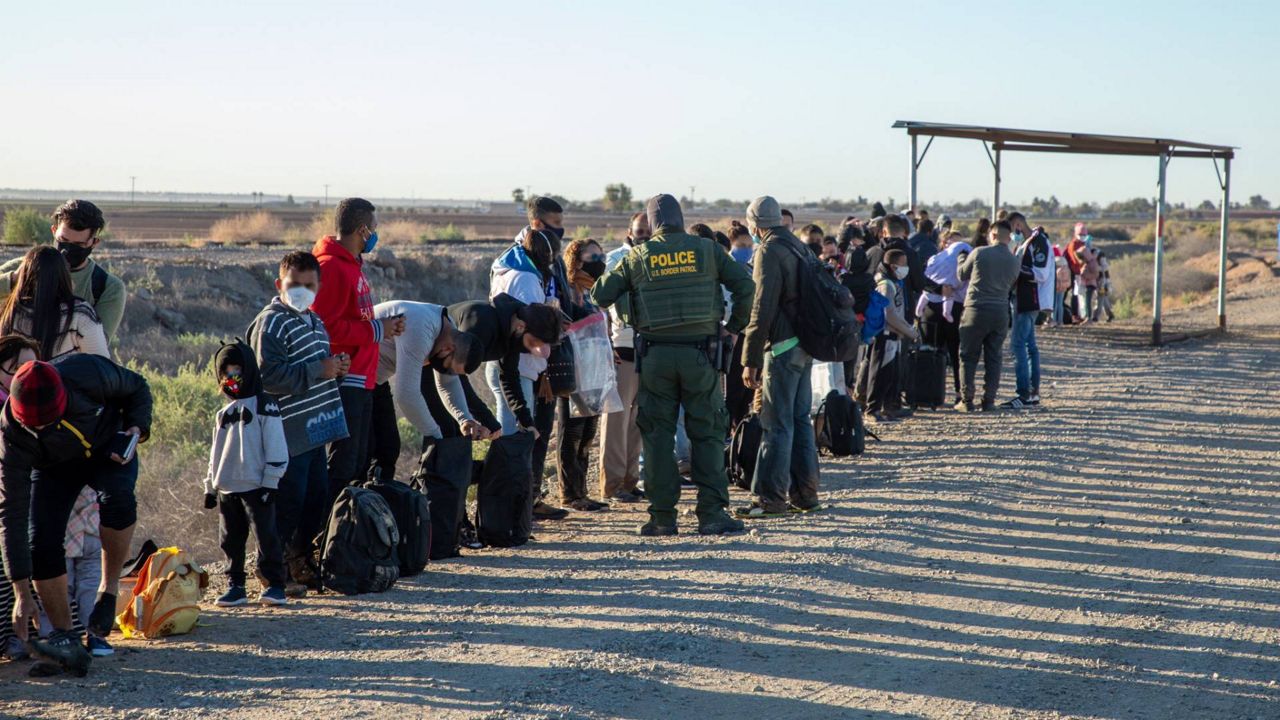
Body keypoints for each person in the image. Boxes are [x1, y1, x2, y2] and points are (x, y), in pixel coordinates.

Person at [592, 194, 754, 536]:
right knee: (707, 434)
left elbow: (600, 295)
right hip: (702, 355)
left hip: (655, 357)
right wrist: (733, 328)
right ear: (682, 218)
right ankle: (712, 514)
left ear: (651, 224)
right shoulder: (708, 250)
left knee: (657, 437)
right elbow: (745, 286)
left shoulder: (637, 256)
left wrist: (628, 308)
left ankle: (662, 517)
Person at [0, 355, 151, 675]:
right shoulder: (11, 430)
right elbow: (10, 512)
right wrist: (20, 591)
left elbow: (138, 387)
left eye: (47, 421)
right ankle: (65, 637)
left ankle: (108, 592)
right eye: (34, 424)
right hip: (54, 468)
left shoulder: (87, 373)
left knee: (118, 498)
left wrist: (137, 429)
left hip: (108, 447)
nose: (40, 427)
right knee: (40, 541)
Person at [247, 251, 350, 595]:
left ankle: (297, 561)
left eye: (309, 285)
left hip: (313, 430)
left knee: (314, 499)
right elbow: (267, 375)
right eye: (294, 284)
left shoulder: (314, 321)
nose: (301, 291)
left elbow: (313, 368)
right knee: (286, 503)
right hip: (284, 432)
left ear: (318, 288)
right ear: (280, 284)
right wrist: (319, 370)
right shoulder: (272, 321)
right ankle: (270, 572)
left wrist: (334, 367)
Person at [311, 198, 405, 506]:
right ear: (362, 230)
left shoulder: (353, 264)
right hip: (345, 378)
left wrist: (381, 327)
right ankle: (323, 538)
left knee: (360, 461)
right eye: (374, 229)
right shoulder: (331, 267)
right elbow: (326, 327)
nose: (376, 236)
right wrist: (378, 330)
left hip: (364, 377)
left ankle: (349, 536)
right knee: (342, 465)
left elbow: (353, 318)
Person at [738, 195, 825, 515]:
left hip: (783, 348)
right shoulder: (799, 246)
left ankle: (770, 499)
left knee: (776, 423)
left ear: (755, 225)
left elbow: (761, 308)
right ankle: (806, 494)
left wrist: (750, 359)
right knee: (801, 420)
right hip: (805, 345)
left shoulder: (769, 250)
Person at [203, 341, 289, 608]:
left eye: (237, 369)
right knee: (230, 539)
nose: (232, 377)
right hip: (227, 487)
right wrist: (210, 487)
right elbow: (215, 454)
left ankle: (275, 584)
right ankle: (235, 586)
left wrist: (271, 481)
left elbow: (276, 444)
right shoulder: (222, 414)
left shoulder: (265, 405)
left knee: (266, 536)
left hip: (257, 484)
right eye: (226, 372)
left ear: (249, 369)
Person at [369, 299, 489, 479]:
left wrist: (464, 419)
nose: (446, 372)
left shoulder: (449, 329)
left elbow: (448, 383)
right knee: (359, 454)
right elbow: (407, 395)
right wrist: (435, 436)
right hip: (350, 375)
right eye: (449, 367)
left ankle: (371, 502)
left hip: (374, 380)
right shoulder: (421, 329)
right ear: (449, 348)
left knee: (387, 449)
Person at [0, 200, 126, 340]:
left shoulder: (107, 288)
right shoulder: (21, 267)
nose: (68, 249)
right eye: (63, 240)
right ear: (54, 231)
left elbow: (97, 346)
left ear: (94, 242)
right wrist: (15, 279)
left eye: (79, 244)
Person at [0, 335, 48, 659]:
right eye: (14, 367)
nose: (22, 374)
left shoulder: (35, 403)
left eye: (30, 367)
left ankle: (24, 634)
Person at [599, 212, 650, 503]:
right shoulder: (615, 259)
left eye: (647, 230)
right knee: (616, 419)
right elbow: (604, 303)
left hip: (649, 349)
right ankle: (613, 483)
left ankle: (631, 480)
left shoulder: (655, 257)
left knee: (637, 421)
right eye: (639, 230)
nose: (643, 234)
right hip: (623, 347)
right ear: (630, 231)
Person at [556, 239, 609, 511]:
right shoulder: (568, 290)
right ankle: (570, 493)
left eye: (600, 254)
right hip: (574, 368)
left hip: (595, 365)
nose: (599, 260)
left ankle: (582, 491)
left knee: (589, 431)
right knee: (572, 431)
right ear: (576, 260)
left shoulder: (592, 291)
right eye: (593, 256)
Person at [0, 246, 109, 361]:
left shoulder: (10, 312)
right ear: (64, 275)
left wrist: (13, 278)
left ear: (24, 276)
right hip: (66, 378)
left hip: (20, 379)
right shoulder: (79, 314)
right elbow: (101, 365)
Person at [956, 221, 1020, 412]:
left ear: (992, 235)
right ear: (1008, 238)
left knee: (968, 356)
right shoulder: (1014, 261)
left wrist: (961, 258)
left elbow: (961, 275)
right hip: (1000, 312)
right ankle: (989, 400)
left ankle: (967, 401)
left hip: (975, 310)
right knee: (994, 357)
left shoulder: (979, 253)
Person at [865, 249, 920, 423]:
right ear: (893, 265)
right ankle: (872, 410)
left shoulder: (894, 282)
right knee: (880, 373)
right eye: (903, 265)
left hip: (894, 335)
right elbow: (889, 314)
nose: (906, 268)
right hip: (885, 334)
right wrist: (909, 331)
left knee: (891, 374)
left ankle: (888, 408)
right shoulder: (885, 284)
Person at [1005, 212, 1053, 409]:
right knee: (1030, 346)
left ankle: (1023, 393)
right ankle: (1032, 393)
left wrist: (1014, 270)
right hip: (1025, 299)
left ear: (1017, 225)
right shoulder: (1026, 243)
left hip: (1030, 300)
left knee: (1018, 344)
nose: (1010, 235)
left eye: (1010, 230)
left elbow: (1040, 273)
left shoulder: (1037, 242)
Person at [1096, 251, 1115, 322]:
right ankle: (1110, 315)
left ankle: (1096, 316)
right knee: (1104, 300)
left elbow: (1102, 275)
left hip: (1102, 286)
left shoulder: (1100, 266)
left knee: (1100, 300)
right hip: (1105, 285)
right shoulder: (1105, 265)